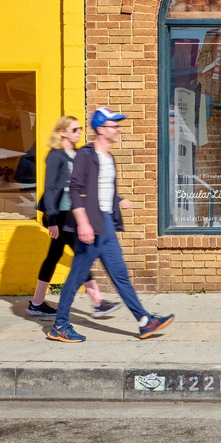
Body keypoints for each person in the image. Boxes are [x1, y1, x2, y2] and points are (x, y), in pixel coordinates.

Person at [48, 106, 174, 343]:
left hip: (105, 223)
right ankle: (60, 325)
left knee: (120, 275)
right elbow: (76, 190)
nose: (118, 129)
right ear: (100, 129)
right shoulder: (86, 155)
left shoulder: (108, 157)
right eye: (114, 125)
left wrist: (118, 200)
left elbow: (101, 190)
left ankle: (145, 322)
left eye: (117, 125)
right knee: (76, 278)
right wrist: (83, 223)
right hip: (90, 226)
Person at [26, 116, 117, 318]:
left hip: (71, 214)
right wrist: (52, 219)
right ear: (62, 132)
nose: (79, 132)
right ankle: (98, 301)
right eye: (74, 129)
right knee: (82, 253)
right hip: (59, 215)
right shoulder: (55, 155)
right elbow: (49, 188)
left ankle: (37, 303)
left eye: (80, 129)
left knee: (53, 256)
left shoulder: (78, 154)